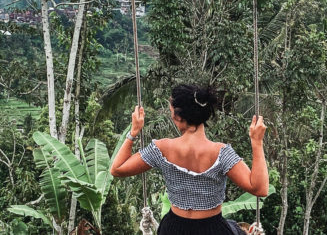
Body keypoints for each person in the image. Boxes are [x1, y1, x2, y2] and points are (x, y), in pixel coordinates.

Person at [110, 84, 269, 235]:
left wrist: (133, 132)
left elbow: (117, 169)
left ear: (178, 117)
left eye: (171, 111)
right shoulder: (222, 153)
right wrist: (257, 142)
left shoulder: (162, 149)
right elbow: (260, 189)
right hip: (212, 229)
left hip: (173, 229)